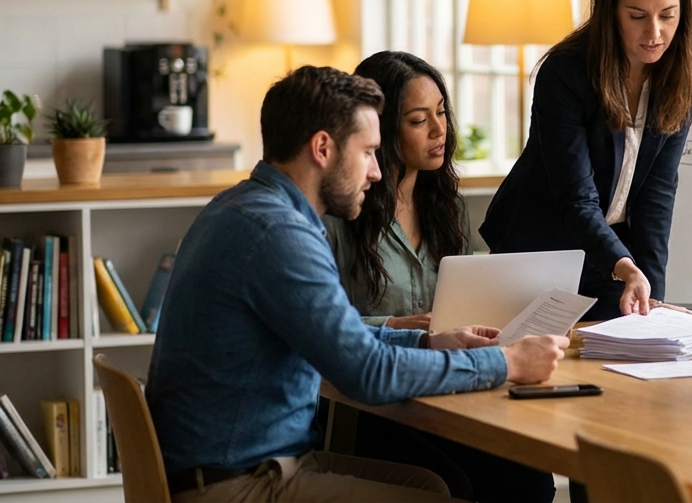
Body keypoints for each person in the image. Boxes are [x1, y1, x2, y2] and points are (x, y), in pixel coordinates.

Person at [146, 66, 569, 502]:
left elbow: (340, 335)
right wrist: (507, 364)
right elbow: (366, 372)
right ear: (323, 148)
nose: (376, 172)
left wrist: (430, 343)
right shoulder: (279, 234)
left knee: (431, 486)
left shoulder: (244, 206)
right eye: (367, 152)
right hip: (239, 483)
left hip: (243, 462)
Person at [324, 50, 555, 503]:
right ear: (381, 129)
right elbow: (325, 332)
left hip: (450, 395)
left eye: (442, 113)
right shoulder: (339, 215)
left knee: (529, 481)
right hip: (373, 406)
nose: (439, 130)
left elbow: (467, 302)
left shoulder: (445, 206)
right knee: (457, 485)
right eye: (417, 120)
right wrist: (399, 328)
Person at [480, 0, 692, 321]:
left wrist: (652, 296)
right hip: (539, 253)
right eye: (637, 16)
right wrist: (625, 266)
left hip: (615, 255)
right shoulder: (566, 73)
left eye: (668, 15)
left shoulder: (686, 69)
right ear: (611, 10)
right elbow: (576, 198)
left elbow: (657, 192)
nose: (654, 33)